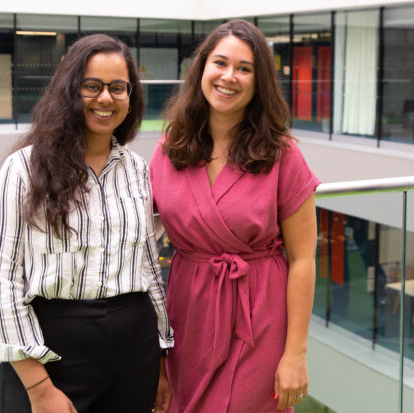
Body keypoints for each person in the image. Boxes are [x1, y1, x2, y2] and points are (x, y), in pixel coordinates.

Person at [0, 34, 173, 413]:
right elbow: (2, 281)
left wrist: (162, 359)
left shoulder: (137, 170)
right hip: (51, 351)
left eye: (118, 88)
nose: (106, 99)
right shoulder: (23, 169)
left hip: (134, 348)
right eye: (92, 86)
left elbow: (149, 268)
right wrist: (38, 387)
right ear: (70, 91)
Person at [150, 20, 320, 412]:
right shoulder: (168, 148)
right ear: (201, 69)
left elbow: (303, 260)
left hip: (258, 316)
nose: (230, 77)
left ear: (259, 83)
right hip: (188, 317)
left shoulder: (283, 154)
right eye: (220, 63)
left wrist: (296, 354)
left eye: (244, 69)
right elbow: (137, 238)